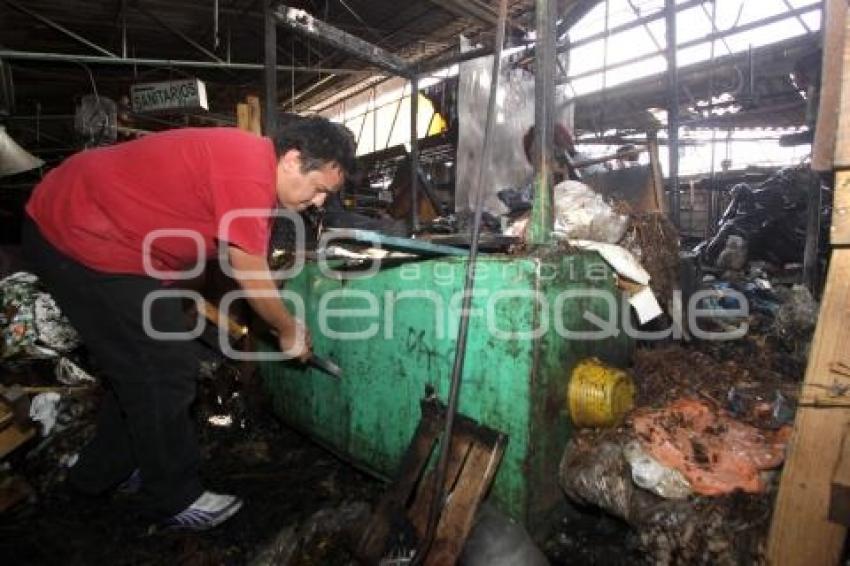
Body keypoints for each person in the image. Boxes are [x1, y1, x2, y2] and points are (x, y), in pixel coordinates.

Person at [22, 116, 356, 531]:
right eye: (320, 188)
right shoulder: (249, 168)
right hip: (77, 231)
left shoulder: (250, 175)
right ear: (292, 160)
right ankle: (173, 497)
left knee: (138, 369)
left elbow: (195, 241)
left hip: (104, 236)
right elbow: (248, 269)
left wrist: (175, 296)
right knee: (165, 369)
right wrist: (287, 329)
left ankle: (98, 475)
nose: (320, 202)